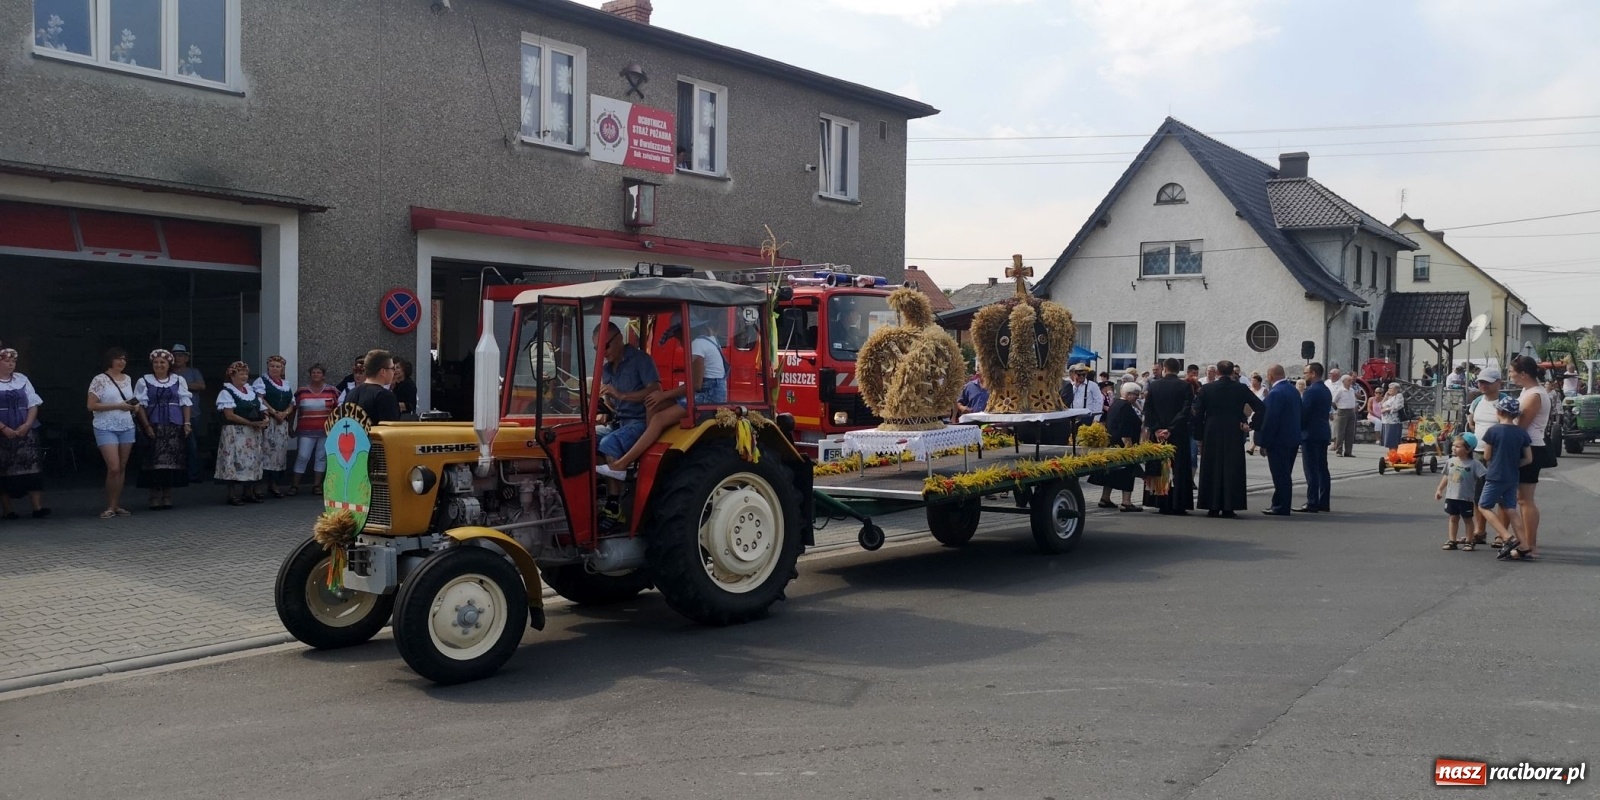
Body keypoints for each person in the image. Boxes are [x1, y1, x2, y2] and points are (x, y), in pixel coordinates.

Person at [606, 314, 727, 473]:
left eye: (677, 336)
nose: (678, 341)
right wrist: (660, 398)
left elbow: (695, 385)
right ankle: (647, 451)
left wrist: (664, 395)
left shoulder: (697, 344)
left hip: (709, 395)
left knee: (658, 419)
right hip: (705, 391)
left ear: (685, 331)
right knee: (652, 404)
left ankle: (622, 464)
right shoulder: (708, 340)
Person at [591, 323, 661, 528]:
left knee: (609, 442)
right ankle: (594, 498)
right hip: (619, 422)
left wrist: (621, 394)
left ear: (619, 339)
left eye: (606, 347)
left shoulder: (641, 360)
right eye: (597, 350)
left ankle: (614, 508)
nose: (602, 353)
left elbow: (655, 390)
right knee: (586, 437)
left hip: (641, 422)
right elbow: (613, 404)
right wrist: (603, 407)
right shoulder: (605, 369)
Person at [1193, 360, 1263, 517]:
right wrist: (1252, 425)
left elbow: (1198, 413)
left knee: (1211, 466)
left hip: (1211, 430)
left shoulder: (1207, 389)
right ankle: (1229, 506)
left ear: (1217, 372)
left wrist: (1199, 435)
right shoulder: (1241, 388)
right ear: (1233, 372)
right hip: (1233, 430)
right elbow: (1260, 407)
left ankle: (1211, 505)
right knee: (1232, 467)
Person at [133, 349, 193, 510]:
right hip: (154, 424)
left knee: (171, 462)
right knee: (153, 461)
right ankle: (153, 495)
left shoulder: (178, 380)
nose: (159, 365)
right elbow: (140, 406)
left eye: (162, 362)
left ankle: (167, 494)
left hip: (174, 425)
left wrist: (187, 423)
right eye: (156, 362)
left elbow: (185, 402)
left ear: (169, 365)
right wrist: (146, 426)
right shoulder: (144, 381)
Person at [1507, 354, 1553, 561]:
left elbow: (1522, 425)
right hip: (1525, 444)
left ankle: (1531, 545)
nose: (1510, 375)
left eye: (1512, 372)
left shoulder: (1535, 395)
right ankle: (1522, 541)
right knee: (1519, 498)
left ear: (1523, 374)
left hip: (1530, 446)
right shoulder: (1527, 391)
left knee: (1525, 500)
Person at [88, 347, 139, 519]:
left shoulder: (128, 379)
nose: (122, 361)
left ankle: (116, 504)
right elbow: (91, 405)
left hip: (126, 425)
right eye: (118, 358)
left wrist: (134, 405)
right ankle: (110, 505)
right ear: (110, 360)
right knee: (114, 467)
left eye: (124, 359)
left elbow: (129, 400)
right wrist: (119, 406)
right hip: (105, 425)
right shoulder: (99, 379)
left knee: (122, 467)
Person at [1479, 395, 1532, 560]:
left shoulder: (1493, 431)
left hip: (1495, 475)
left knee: (1484, 506)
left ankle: (1506, 536)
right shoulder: (1521, 433)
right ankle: (1524, 545)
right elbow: (1529, 459)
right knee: (1511, 508)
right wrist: (1514, 464)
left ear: (1500, 412)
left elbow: (1487, 456)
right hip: (1512, 476)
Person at [0, 347, 49, 519]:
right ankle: (8, 510)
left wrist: (27, 424)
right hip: (2, 432)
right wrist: (3, 428)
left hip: (24, 429)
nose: (11, 364)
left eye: (13, 361)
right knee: (4, 470)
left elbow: (33, 403)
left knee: (32, 468)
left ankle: (37, 507)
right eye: (7, 361)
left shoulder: (22, 379)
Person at [1142, 357, 1195, 515]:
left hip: (1158, 433)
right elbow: (1185, 410)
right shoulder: (1185, 386)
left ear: (1164, 369)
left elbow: (1148, 409)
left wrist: (1157, 429)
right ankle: (1178, 503)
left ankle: (1160, 501)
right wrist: (1171, 429)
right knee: (1178, 468)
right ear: (1178, 370)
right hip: (1177, 433)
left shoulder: (1154, 385)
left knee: (1159, 466)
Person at [215, 361, 270, 505]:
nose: (244, 376)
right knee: (233, 461)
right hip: (234, 433)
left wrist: (265, 418)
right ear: (232, 376)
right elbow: (229, 415)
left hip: (252, 433)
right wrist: (250, 423)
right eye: (240, 374)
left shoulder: (250, 391)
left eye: (245, 373)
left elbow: (262, 408)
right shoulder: (226, 392)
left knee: (251, 461)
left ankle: (248, 492)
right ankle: (232, 494)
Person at [1464, 368, 1504, 546]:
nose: (1482, 385)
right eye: (1480, 382)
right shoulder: (1477, 401)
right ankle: (1480, 531)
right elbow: (1471, 422)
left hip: (1498, 453)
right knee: (1477, 494)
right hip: (1477, 451)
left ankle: (1500, 534)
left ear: (1498, 383)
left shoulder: (1505, 402)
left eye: (1487, 382)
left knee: (1501, 494)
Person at [1257, 364, 1303, 516]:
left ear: (1270, 376)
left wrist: (1263, 442)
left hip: (1279, 440)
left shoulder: (1275, 393)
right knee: (1285, 473)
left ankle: (1281, 506)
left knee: (1280, 475)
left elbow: (1270, 420)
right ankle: (1279, 503)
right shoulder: (1293, 390)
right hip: (1293, 438)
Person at [1092, 383, 1144, 512]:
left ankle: (1105, 498)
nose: (1136, 398)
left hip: (1112, 444)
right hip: (1122, 445)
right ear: (1128, 394)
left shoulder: (1115, 404)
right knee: (1128, 472)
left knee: (1112, 473)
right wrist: (1129, 448)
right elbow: (1124, 428)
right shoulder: (1125, 407)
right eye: (1135, 395)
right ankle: (1126, 502)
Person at [291, 364, 339, 495]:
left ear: (323, 375)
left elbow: (338, 410)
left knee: (321, 457)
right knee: (302, 455)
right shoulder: (302, 391)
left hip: (325, 430)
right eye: (313, 372)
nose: (316, 375)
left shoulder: (332, 391)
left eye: (318, 372)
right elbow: (293, 410)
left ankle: (317, 485)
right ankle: (295, 485)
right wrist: (291, 427)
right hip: (306, 430)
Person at [253, 355, 296, 498]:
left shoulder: (285, 384)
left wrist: (284, 414)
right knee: (264, 452)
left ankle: (273, 484)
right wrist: (274, 412)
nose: (274, 368)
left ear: (282, 368)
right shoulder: (262, 381)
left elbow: (292, 404)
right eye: (272, 366)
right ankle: (258, 485)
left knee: (278, 455)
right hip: (268, 422)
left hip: (281, 423)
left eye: (278, 366)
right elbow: (260, 399)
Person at [1435, 435, 1486, 551]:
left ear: (1468, 449)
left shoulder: (1475, 464)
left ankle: (1469, 540)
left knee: (1468, 519)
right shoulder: (1451, 462)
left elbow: (1484, 476)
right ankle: (1452, 540)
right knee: (1453, 518)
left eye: (1458, 446)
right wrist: (1439, 489)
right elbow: (1447, 476)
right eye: (1453, 445)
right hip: (1451, 496)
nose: (1453, 448)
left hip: (1466, 498)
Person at [1297, 362, 1332, 513]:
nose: (1304, 376)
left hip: (1311, 433)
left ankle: (1312, 501)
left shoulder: (1311, 391)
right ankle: (1324, 502)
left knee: (1311, 469)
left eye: (1306, 373)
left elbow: (1304, 413)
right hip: (1323, 431)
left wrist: (1298, 428)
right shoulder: (1325, 390)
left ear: (1313, 373)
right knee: (1322, 469)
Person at [172, 344, 207, 483]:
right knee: (173, 445)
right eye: (174, 356)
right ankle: (176, 474)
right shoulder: (167, 372)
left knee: (192, 446)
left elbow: (201, 386)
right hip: (174, 415)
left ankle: (192, 474)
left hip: (193, 414)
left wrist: (182, 384)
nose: (177, 358)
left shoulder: (193, 371)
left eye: (180, 355)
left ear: (186, 358)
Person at [344, 350, 402, 423]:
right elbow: (390, 431)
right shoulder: (385, 396)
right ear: (383, 371)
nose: (394, 372)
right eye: (393, 368)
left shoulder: (351, 393)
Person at [1330, 375, 1359, 457]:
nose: (1350, 382)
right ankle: (1339, 451)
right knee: (1340, 432)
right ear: (1344, 381)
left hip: (1351, 411)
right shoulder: (1340, 390)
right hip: (1342, 411)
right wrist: (1337, 409)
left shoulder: (1352, 390)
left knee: (1350, 432)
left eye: (1351, 380)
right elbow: (1333, 401)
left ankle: (1348, 451)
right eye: (1349, 380)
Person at [1379, 384, 1406, 450]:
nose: (1389, 390)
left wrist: (1386, 409)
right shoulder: (1389, 397)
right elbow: (1381, 405)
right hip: (1386, 421)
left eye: (1391, 388)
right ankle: (1391, 454)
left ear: (1396, 389)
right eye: (1389, 388)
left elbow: (1397, 406)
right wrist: (1385, 397)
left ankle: (1394, 455)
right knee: (1388, 441)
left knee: (1393, 440)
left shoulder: (1399, 396)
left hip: (1393, 421)